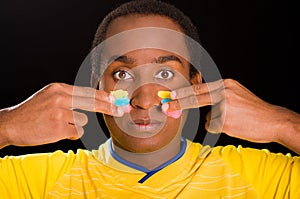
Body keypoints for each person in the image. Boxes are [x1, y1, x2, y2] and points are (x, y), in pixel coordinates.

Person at [0, 0, 299, 198]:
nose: (144, 100)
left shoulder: (259, 176)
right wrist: (7, 125)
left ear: (196, 84)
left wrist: (284, 125)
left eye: (165, 74)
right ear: (95, 88)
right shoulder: (37, 180)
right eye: (122, 74)